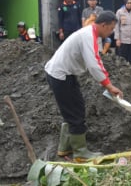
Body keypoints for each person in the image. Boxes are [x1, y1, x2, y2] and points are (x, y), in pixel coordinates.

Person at [44, 11, 123, 162]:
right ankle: (80, 153)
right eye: (111, 28)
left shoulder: (89, 33)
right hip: (60, 75)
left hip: (63, 73)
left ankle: (64, 147)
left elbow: (94, 60)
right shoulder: (88, 36)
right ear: (103, 25)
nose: (111, 32)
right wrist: (109, 86)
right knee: (75, 113)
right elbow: (94, 64)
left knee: (75, 109)